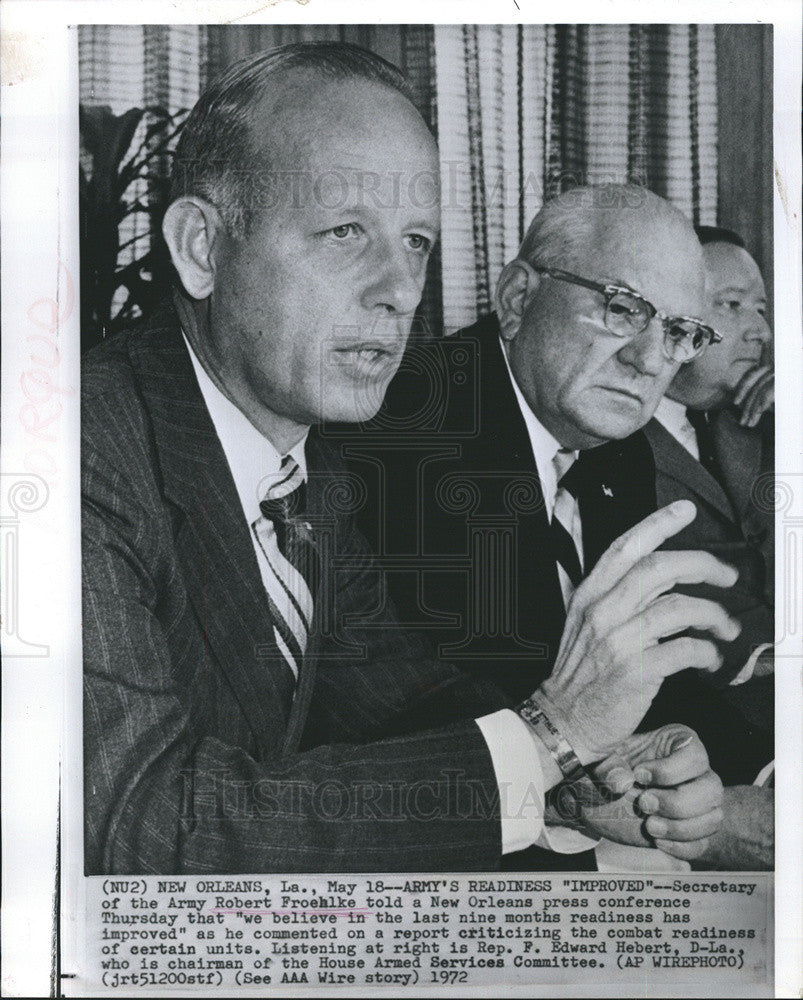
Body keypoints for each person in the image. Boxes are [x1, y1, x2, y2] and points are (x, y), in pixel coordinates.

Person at [83, 45, 732, 875]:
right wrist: (547, 736)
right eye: (346, 231)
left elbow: (397, 702)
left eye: (417, 242)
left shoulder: (304, 469)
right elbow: (142, 827)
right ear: (203, 248)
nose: (400, 288)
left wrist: (574, 778)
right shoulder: (77, 452)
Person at [340, 185, 763, 868]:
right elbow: (432, 709)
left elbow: (641, 664)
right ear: (515, 300)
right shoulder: (404, 428)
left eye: (679, 333)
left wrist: (730, 772)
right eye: (623, 309)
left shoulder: (613, 442)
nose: (651, 361)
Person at [643, 226, 774, 869]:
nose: (761, 331)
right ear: (676, 319)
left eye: (763, 310)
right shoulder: (612, 438)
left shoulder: (757, 421)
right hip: (723, 723)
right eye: (731, 305)